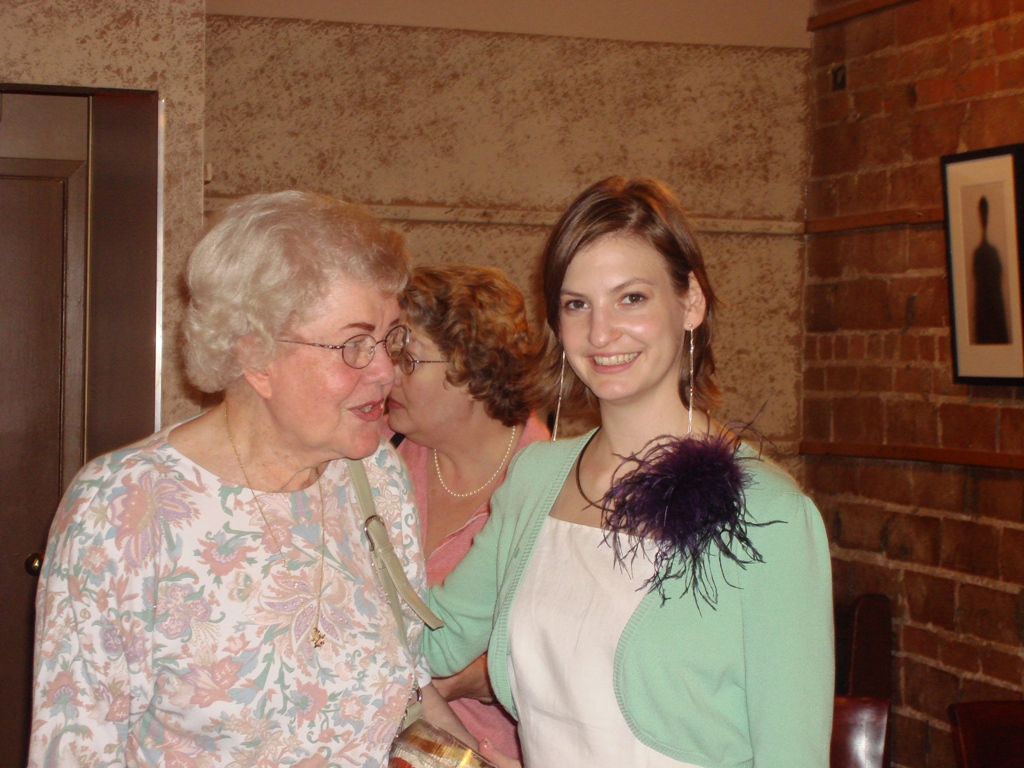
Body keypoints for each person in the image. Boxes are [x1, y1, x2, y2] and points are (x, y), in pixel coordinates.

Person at [28, 191, 472, 767]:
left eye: (390, 339)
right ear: (254, 355)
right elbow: (77, 749)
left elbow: (409, 690)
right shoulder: (125, 507)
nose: (386, 371)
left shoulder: (374, 475)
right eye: (354, 345)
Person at [422, 177, 835, 767]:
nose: (600, 333)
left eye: (631, 298)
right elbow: (432, 640)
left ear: (691, 303)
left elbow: (792, 756)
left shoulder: (769, 514)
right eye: (577, 304)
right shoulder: (536, 478)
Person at [385, 265, 549, 760]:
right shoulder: (374, 455)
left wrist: (481, 676)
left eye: (408, 360)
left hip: (489, 753)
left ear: (474, 372)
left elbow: (579, 656)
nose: (385, 373)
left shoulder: (554, 488)